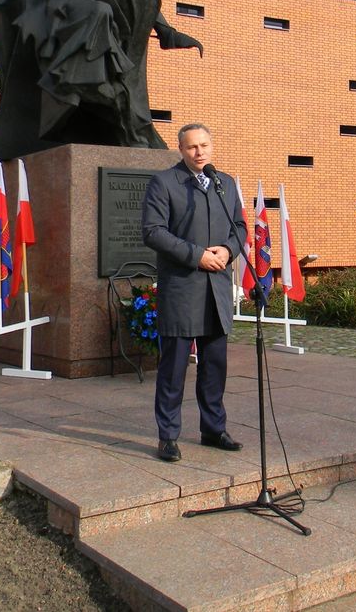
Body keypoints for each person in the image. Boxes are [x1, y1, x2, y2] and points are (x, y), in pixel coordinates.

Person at [141, 123, 247, 462]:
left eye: (203, 145)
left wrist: (229, 251)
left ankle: (213, 429)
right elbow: (153, 232)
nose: (199, 152)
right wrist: (197, 255)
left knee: (215, 366)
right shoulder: (164, 183)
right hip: (183, 289)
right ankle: (168, 436)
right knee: (173, 369)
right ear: (181, 150)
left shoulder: (224, 183)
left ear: (212, 146)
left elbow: (240, 226)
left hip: (216, 290)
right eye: (191, 147)